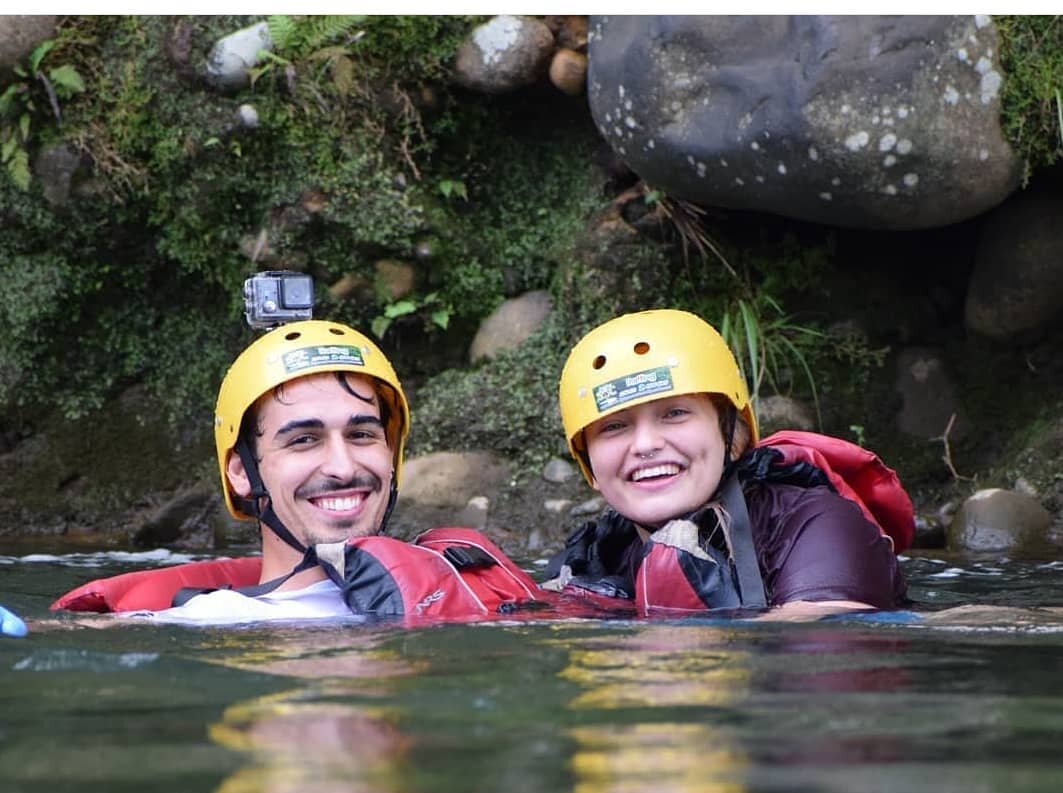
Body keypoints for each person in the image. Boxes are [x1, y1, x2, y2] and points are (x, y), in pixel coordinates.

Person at [52, 318, 543, 624]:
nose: (343, 466)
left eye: (362, 435)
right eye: (304, 440)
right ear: (242, 473)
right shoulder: (207, 620)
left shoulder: (471, 586)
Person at [542, 308, 912, 621]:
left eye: (674, 413)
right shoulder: (594, 559)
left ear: (733, 436)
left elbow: (827, 667)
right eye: (614, 426)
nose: (646, 445)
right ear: (588, 463)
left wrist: (708, 625)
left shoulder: (816, 524)